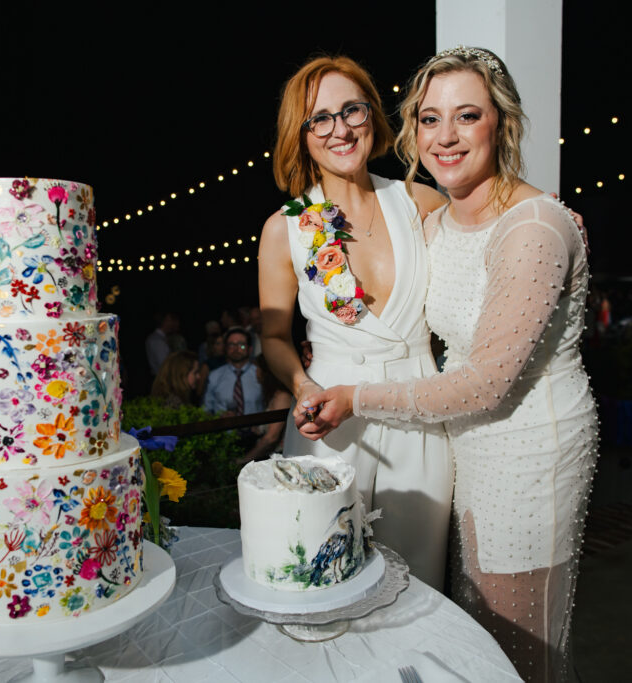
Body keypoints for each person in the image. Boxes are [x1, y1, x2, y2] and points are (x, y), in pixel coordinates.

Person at [297, 47, 598, 682]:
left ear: (502, 124)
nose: (446, 136)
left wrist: (356, 397)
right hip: (465, 448)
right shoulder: (440, 221)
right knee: (471, 634)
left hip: (528, 453)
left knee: (520, 646)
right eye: (430, 119)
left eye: (467, 116)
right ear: (412, 131)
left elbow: (489, 380)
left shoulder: (534, 227)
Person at [258, 55, 453, 591]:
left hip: (419, 414)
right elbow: (273, 337)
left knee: (418, 585)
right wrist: (303, 386)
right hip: (329, 427)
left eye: (352, 110)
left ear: (373, 116)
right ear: (300, 135)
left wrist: (537, 212)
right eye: (319, 118)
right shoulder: (284, 229)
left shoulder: (422, 203)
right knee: (319, 579)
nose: (340, 129)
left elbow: (489, 238)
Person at [239, 355, 293, 464]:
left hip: (277, 459)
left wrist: (244, 460)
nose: (255, 372)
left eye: (257, 368)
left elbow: (271, 438)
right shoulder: (274, 395)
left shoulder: (282, 397)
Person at [203, 327, 262, 416]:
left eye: (241, 345)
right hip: (223, 429)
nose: (236, 349)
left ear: (250, 349)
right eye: (231, 345)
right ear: (226, 349)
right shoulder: (214, 376)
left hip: (255, 428)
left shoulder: (259, 374)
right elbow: (206, 409)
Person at [145, 312, 180, 377]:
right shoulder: (157, 340)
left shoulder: (160, 338)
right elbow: (164, 365)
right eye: (170, 320)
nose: (172, 323)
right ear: (164, 321)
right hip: (162, 378)